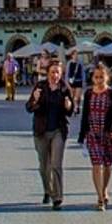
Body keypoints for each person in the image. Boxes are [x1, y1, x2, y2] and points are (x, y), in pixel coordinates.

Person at [27, 58, 75, 209]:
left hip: (58, 131)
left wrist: (68, 106)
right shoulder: (40, 87)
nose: (55, 75)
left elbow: (70, 111)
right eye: (53, 72)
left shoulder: (64, 89)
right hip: (41, 131)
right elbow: (29, 108)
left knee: (55, 164)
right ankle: (48, 190)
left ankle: (58, 197)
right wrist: (34, 100)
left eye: (58, 73)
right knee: (43, 166)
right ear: (47, 73)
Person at [77, 63, 112, 211]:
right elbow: (85, 114)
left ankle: (104, 189)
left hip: (107, 133)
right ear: (92, 78)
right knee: (96, 165)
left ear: (107, 77)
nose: (98, 80)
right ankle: (99, 197)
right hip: (92, 133)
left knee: (107, 165)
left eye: (101, 77)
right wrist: (82, 134)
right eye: (96, 77)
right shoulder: (89, 93)